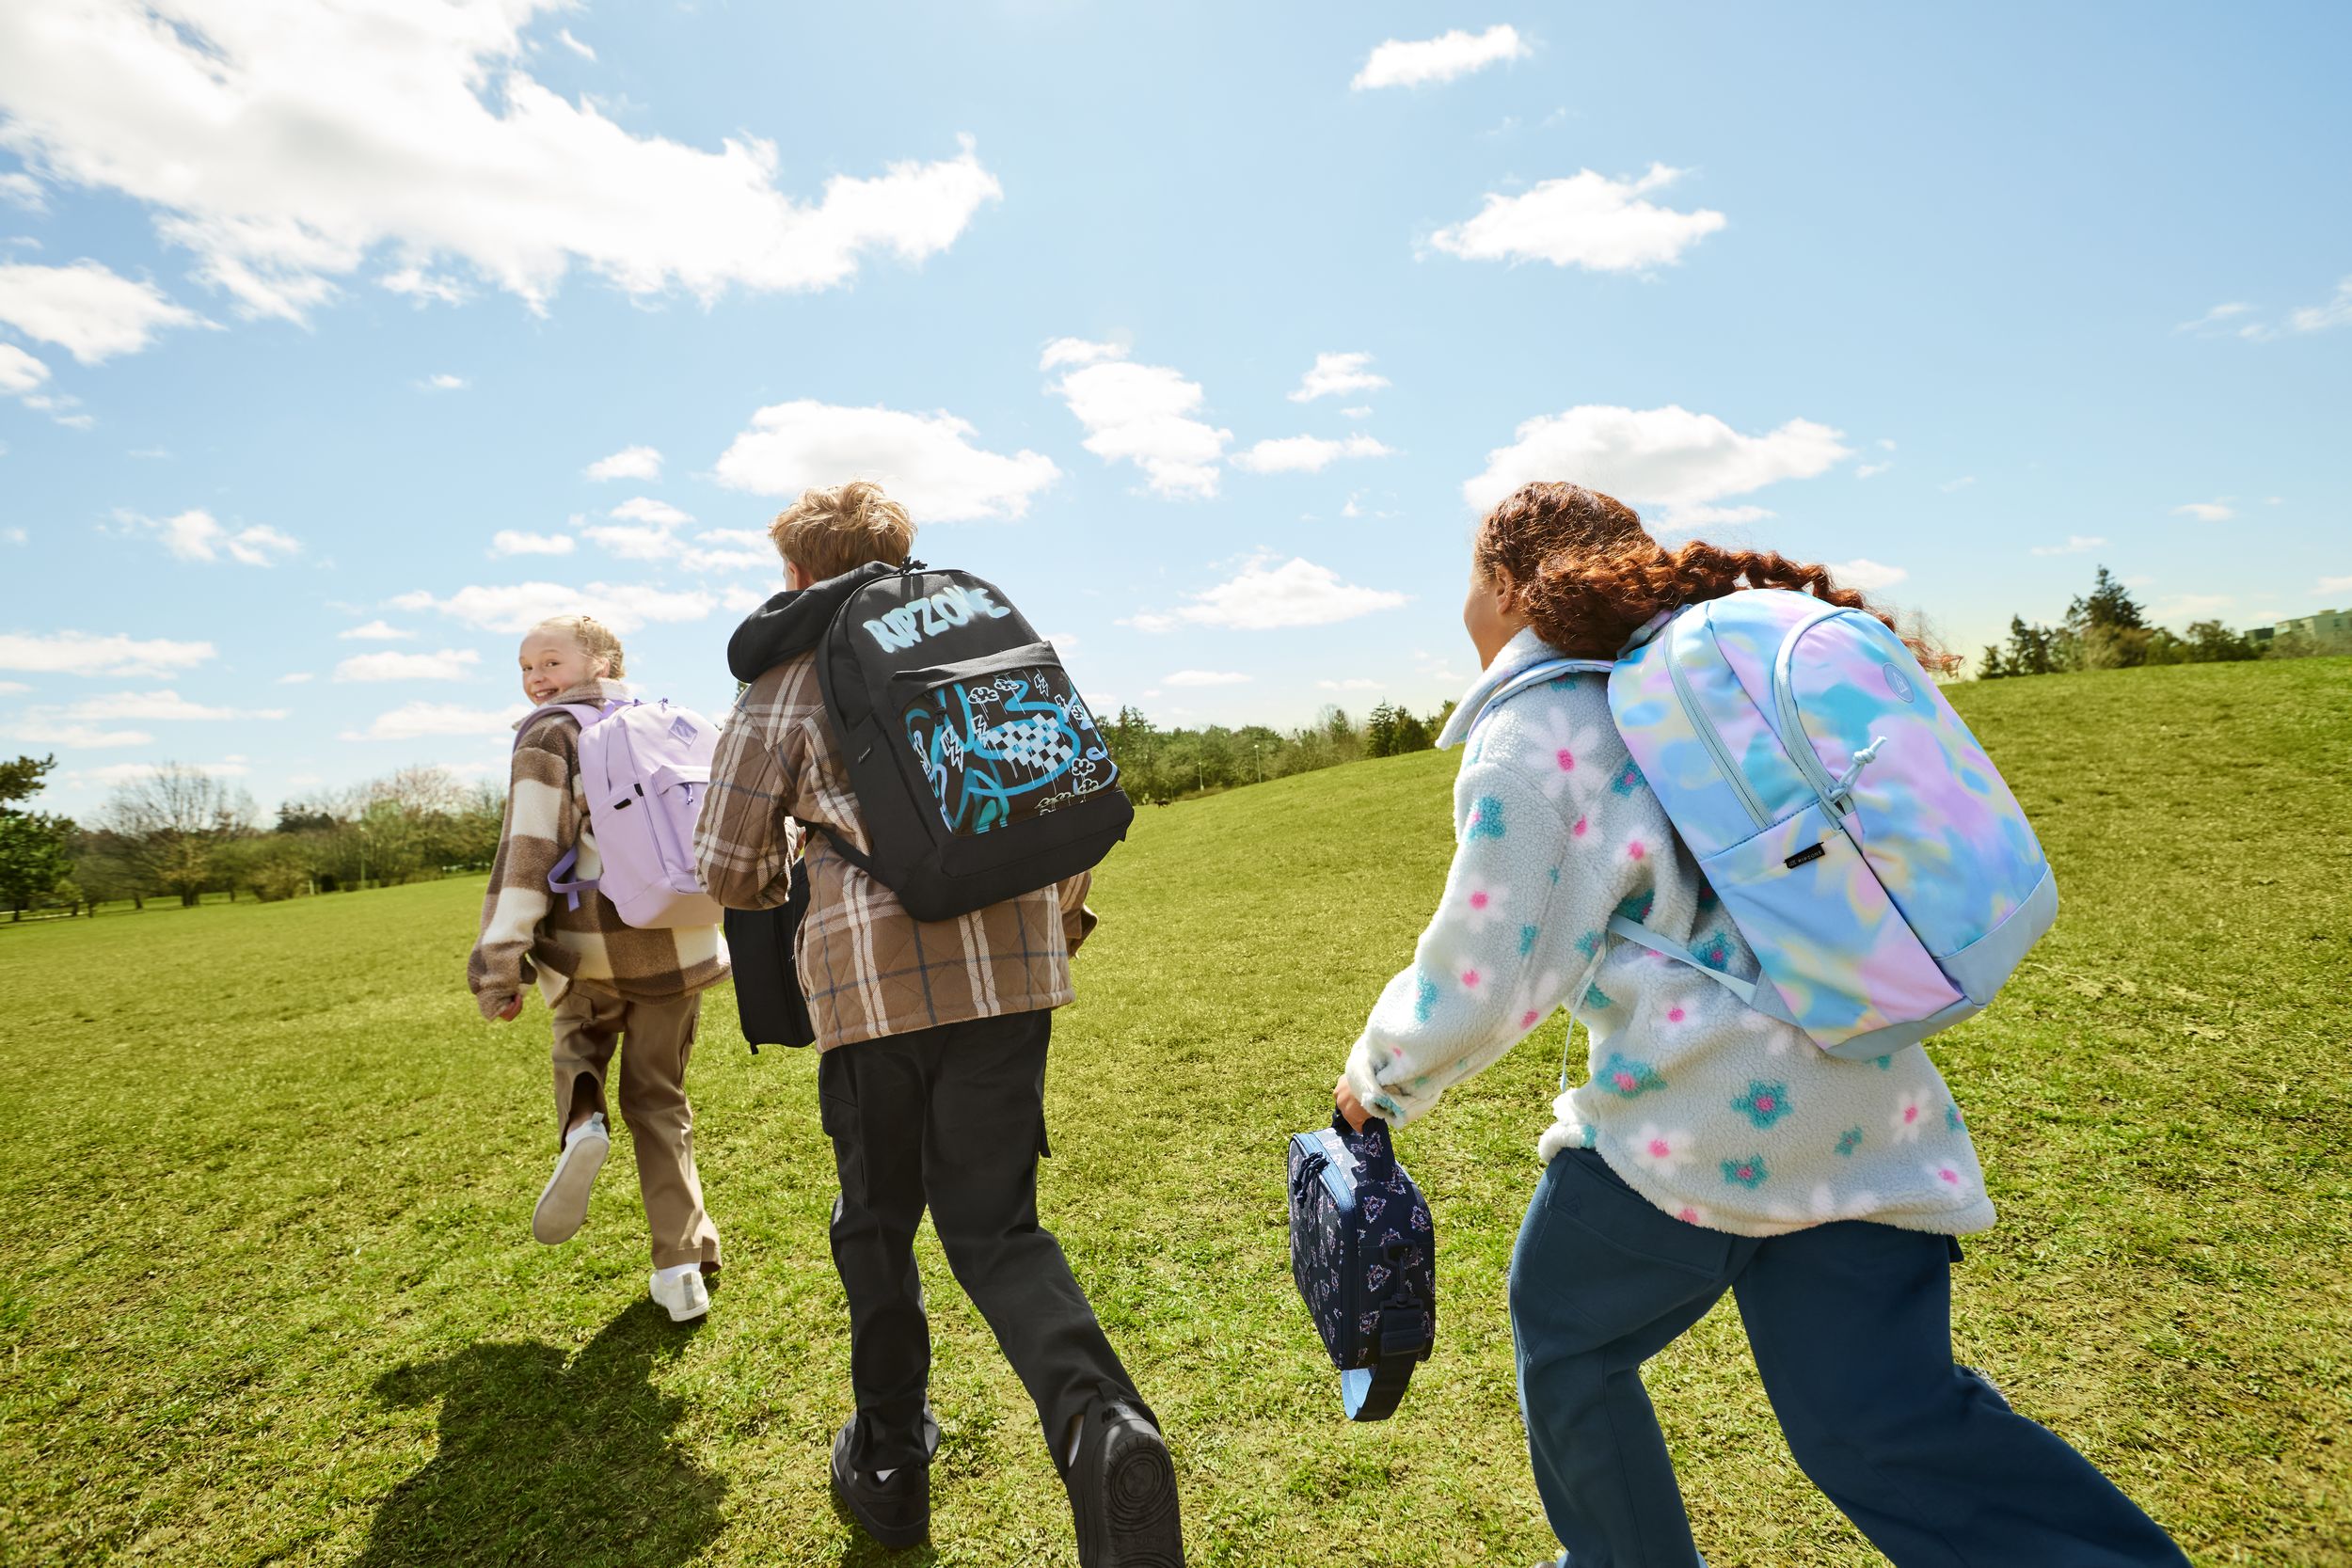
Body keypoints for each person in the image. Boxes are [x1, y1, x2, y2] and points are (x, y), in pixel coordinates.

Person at [1333, 483, 2188, 1568]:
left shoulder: (1539, 725)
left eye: (1469, 577)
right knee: (1884, 1422)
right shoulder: (1712, 682)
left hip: (1690, 1126)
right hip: (1865, 1101)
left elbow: (1494, 955)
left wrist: (1382, 1074)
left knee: (1567, 1340)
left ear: (1505, 584)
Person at [693, 481, 1183, 1565]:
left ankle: (888, 1461)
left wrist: (806, 850)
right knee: (999, 1229)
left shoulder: (787, 669)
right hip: (1014, 975)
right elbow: (1056, 801)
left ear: (797, 572)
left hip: (873, 992)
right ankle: (1107, 1427)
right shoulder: (985, 639)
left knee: (875, 1220)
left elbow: (723, 861)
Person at [470, 614, 730, 1324]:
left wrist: (499, 960)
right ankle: (682, 1266)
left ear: (600, 658)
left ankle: (583, 1121)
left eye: (549, 661)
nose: (535, 679)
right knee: (661, 1101)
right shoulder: (665, 719)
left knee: (577, 1042)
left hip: (593, 945)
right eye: (525, 668)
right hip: (681, 939)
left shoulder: (549, 733)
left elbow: (527, 847)